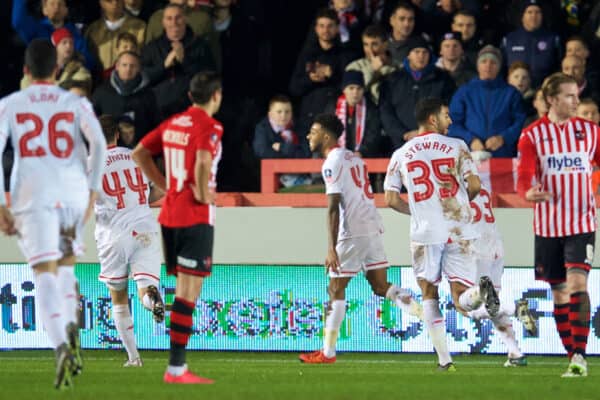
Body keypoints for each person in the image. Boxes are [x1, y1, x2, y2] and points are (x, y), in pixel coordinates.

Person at [0, 39, 107, 388]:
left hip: (33, 195)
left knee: (44, 271)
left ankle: (60, 343)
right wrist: (91, 191)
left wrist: (1, 203)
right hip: (73, 192)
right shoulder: (74, 101)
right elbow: (100, 144)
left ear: (26, 71)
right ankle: (71, 317)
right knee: (65, 265)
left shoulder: (11, 104)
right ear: (57, 70)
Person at [383, 97, 498, 371]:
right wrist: (459, 204)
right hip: (459, 228)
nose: (451, 121)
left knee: (429, 293)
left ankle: (445, 361)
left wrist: (421, 211)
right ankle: (479, 294)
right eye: (446, 116)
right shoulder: (458, 146)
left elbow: (390, 199)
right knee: (460, 296)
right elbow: (474, 185)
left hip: (425, 232)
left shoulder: (402, 152)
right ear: (433, 119)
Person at [298, 113, 421, 364]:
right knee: (379, 286)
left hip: (352, 231)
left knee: (335, 288)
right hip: (372, 226)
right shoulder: (354, 157)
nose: (309, 136)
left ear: (326, 135)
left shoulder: (331, 162)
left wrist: (331, 248)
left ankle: (328, 353)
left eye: (313, 131)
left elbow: (333, 207)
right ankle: (424, 313)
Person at [132, 71, 222, 384]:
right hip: (194, 216)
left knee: (184, 290)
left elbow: (140, 153)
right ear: (216, 96)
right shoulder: (210, 126)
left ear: (189, 96)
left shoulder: (174, 124)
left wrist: (165, 186)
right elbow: (201, 162)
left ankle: (177, 367)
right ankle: (176, 369)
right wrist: (200, 192)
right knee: (188, 292)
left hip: (168, 216)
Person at [517, 72, 600, 378]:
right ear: (552, 99)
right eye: (569, 96)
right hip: (548, 225)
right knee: (560, 293)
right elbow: (524, 173)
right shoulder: (532, 135)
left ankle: (580, 355)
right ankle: (572, 356)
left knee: (579, 284)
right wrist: (527, 191)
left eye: (577, 95)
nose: (576, 101)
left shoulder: (590, 131)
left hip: (581, 222)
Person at [95, 114, 165, 367]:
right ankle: (152, 300)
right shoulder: (136, 156)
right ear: (117, 134)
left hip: (112, 234)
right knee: (145, 287)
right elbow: (159, 189)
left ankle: (134, 357)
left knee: (119, 297)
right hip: (145, 227)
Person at [468, 183, 538, 367]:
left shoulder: (454, 188)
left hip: (474, 251)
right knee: (493, 307)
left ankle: (514, 309)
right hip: (495, 246)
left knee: (471, 309)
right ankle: (515, 353)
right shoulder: (480, 185)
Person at [379, 36, 455, 149]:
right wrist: (404, 134)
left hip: (434, 143)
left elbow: (449, 109)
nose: (421, 56)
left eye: (425, 52)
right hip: (399, 144)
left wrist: (428, 132)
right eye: (416, 52)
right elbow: (385, 112)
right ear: (409, 54)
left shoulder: (443, 79)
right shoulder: (393, 80)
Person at [448, 45, 526, 157]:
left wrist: (503, 138)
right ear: (478, 65)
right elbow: (452, 122)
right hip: (470, 156)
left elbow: (520, 122)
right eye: (484, 61)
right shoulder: (464, 92)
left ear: (499, 67)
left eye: (493, 62)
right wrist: (471, 139)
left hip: (503, 157)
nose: (488, 66)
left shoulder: (511, 93)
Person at [142, 3, 215, 117]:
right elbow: (142, 78)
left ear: (185, 19)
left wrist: (185, 60)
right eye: (169, 18)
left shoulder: (201, 46)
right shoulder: (152, 47)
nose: (174, 22)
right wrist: (164, 66)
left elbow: (209, 79)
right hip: (158, 113)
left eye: (178, 18)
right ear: (163, 22)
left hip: (191, 112)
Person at [92, 51, 161, 146]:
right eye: (124, 65)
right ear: (117, 66)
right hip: (108, 153)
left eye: (132, 66)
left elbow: (155, 126)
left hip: (138, 152)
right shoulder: (102, 92)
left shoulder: (148, 95)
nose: (128, 69)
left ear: (139, 69)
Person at [12, 0, 96, 70]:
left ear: (66, 11)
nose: (56, 7)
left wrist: (72, 61)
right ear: (44, 10)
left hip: (68, 82)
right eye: (52, 4)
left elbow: (89, 63)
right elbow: (18, 21)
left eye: (60, 4)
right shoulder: (37, 31)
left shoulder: (75, 35)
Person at [501, 0, 561, 87]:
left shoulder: (553, 39)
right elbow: (502, 68)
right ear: (522, 16)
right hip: (515, 89)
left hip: (543, 90)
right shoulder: (509, 39)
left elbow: (559, 66)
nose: (534, 16)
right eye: (529, 12)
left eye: (538, 12)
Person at [327, 70, 383, 157]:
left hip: (363, 156)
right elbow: (327, 131)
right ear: (344, 90)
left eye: (359, 88)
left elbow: (373, 135)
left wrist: (362, 152)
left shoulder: (370, 108)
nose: (355, 92)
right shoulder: (333, 107)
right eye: (351, 88)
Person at [85, 0, 146, 78]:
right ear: (101, 3)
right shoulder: (92, 30)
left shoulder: (139, 27)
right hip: (100, 82)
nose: (115, 3)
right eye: (109, 0)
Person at [21, 27, 92, 93]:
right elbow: (25, 83)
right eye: (64, 42)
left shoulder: (78, 68)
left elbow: (80, 84)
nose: (68, 46)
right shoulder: (41, 65)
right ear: (55, 47)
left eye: (71, 43)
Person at [345, 24, 396, 105]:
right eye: (366, 45)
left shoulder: (398, 66)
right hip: (366, 113)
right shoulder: (354, 67)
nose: (369, 49)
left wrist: (386, 70)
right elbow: (352, 94)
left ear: (385, 45)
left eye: (374, 44)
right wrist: (372, 68)